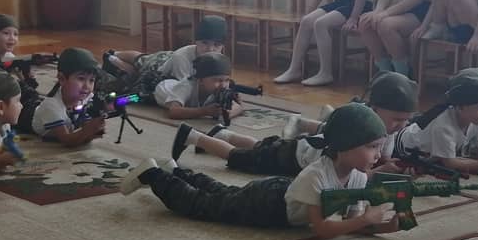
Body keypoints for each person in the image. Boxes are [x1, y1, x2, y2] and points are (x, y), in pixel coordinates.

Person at [118, 103, 397, 236]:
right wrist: (365, 219)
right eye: (372, 147)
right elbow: (322, 228)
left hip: (279, 196)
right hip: (267, 205)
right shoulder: (317, 175)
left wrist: (387, 224)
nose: (378, 154)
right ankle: (153, 174)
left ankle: (176, 171)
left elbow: (352, 222)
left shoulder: (357, 177)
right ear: (345, 146)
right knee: (204, 205)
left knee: (221, 192)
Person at [171, 71, 418, 178]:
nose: (402, 125)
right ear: (374, 109)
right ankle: (193, 136)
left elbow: (380, 158)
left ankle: (222, 133)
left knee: (260, 145)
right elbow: (356, 176)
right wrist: (384, 171)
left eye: (406, 119)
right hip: (292, 158)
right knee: (238, 158)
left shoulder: (382, 131)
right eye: (397, 119)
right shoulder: (359, 130)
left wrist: (396, 165)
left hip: (300, 149)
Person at [394, 67, 478, 175]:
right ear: (460, 107)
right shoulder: (443, 126)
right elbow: (450, 163)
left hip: (438, 152)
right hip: (402, 148)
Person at [105, 15, 228, 99]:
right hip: (158, 67)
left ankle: (115, 58)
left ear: (223, 46)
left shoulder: (219, 60)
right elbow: (184, 90)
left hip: (170, 58)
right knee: (141, 62)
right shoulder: (182, 58)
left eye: (216, 45)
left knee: (141, 61)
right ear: (196, 41)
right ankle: (114, 55)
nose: (210, 49)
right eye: (205, 43)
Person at [30, 47, 108, 146]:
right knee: (22, 97)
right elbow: (67, 140)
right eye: (81, 78)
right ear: (62, 78)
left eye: (91, 80)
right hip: (27, 114)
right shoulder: (51, 107)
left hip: (48, 108)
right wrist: (88, 131)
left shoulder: (86, 96)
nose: (87, 86)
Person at [153, 52, 243, 121]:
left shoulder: (219, 90)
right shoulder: (187, 86)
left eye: (227, 80)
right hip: (155, 85)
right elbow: (173, 111)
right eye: (217, 80)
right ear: (200, 80)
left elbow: (239, 107)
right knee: (150, 63)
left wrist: (226, 112)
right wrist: (205, 111)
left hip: (175, 84)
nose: (223, 85)